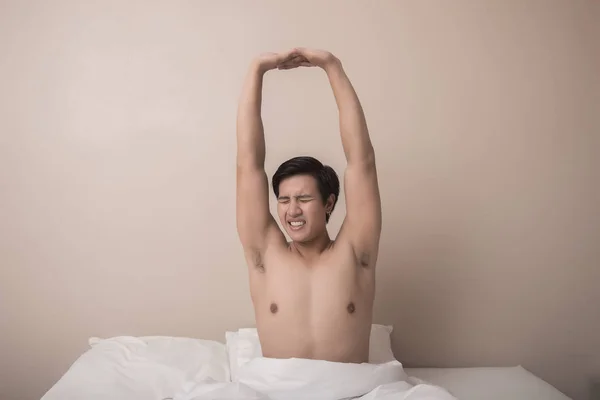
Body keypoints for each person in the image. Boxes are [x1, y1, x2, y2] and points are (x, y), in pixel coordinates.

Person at [236, 48, 381, 364]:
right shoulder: (265, 254)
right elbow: (248, 165)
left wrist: (332, 65)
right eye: (284, 200)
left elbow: (362, 162)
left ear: (329, 203)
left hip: (350, 392)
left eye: (303, 199)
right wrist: (257, 70)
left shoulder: (355, 252)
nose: (292, 211)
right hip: (277, 392)